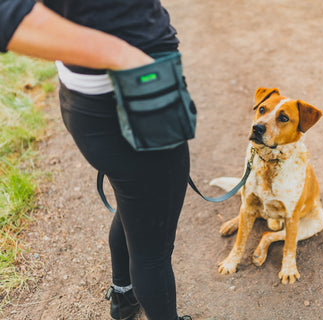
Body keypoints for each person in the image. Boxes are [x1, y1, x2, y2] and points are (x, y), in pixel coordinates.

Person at [1, 1, 194, 319]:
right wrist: (120, 54)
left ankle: (123, 296)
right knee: (153, 251)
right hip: (131, 95)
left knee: (137, 206)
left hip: (89, 99)